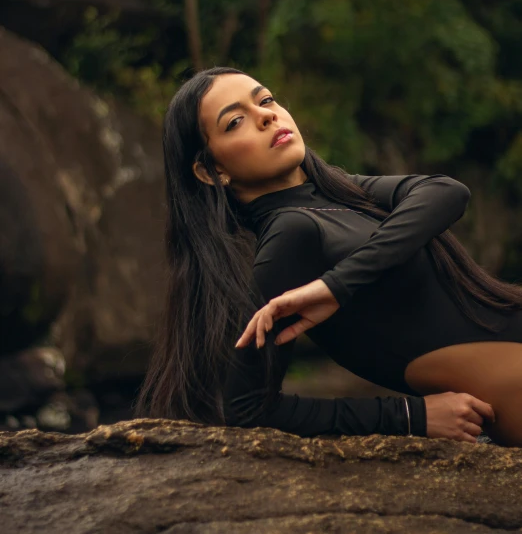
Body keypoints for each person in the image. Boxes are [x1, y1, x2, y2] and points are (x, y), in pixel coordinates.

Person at [136, 67, 522, 446]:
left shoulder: (341, 195)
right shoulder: (291, 234)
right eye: (236, 121)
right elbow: (248, 408)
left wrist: (337, 285)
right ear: (211, 171)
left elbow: (446, 192)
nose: (267, 115)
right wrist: (411, 416)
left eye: (266, 101)